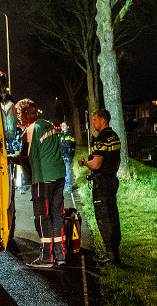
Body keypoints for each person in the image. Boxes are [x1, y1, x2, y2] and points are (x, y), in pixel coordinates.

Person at [12, 98, 66, 268]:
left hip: (43, 178)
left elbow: (24, 157)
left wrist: (9, 159)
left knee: (42, 217)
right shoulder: (48, 125)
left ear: (27, 113)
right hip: (59, 175)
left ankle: (45, 257)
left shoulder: (29, 130)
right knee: (57, 216)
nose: (19, 117)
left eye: (19, 113)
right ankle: (60, 254)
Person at [78, 108, 122, 264]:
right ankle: (115, 251)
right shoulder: (114, 136)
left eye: (95, 120)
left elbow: (96, 164)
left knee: (103, 217)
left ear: (103, 120)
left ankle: (110, 254)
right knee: (113, 214)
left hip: (102, 183)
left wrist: (84, 163)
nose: (93, 123)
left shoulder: (101, 139)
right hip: (112, 180)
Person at [59, 121, 76, 193]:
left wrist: (70, 155)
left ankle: (68, 186)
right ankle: (64, 185)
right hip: (62, 155)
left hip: (68, 155)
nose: (62, 127)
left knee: (67, 170)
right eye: (62, 125)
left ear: (68, 127)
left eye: (64, 125)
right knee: (62, 171)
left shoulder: (70, 136)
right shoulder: (60, 135)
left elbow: (72, 146)